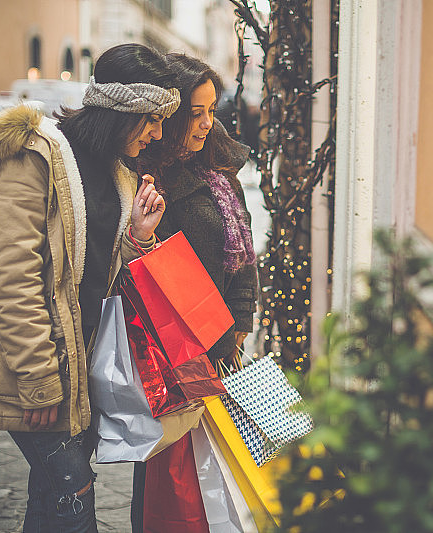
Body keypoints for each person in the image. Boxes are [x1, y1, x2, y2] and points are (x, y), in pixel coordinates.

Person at [0, 43, 180, 532]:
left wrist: (138, 235)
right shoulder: (32, 159)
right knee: (74, 495)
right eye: (153, 119)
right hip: (34, 368)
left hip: (80, 369)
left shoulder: (118, 173)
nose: (158, 133)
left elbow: (100, 274)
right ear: (122, 110)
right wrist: (39, 380)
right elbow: (12, 281)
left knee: (51, 495)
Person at [131, 53, 258, 532]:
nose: (208, 123)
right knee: (171, 475)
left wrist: (241, 319)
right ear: (171, 115)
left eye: (212, 110)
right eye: (196, 112)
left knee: (223, 471)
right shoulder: (143, 174)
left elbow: (244, 250)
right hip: (171, 355)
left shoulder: (218, 166)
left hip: (222, 344)